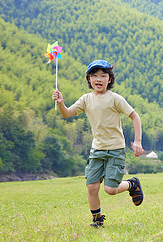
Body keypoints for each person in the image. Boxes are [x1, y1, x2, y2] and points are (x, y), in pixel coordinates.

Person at [52, 59, 144, 228]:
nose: (99, 79)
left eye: (103, 75)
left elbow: (135, 117)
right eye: (94, 76)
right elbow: (67, 114)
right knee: (91, 186)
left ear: (110, 79)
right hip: (97, 150)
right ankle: (97, 220)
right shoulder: (86, 99)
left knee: (110, 190)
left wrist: (137, 141)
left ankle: (132, 184)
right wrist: (60, 103)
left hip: (115, 150)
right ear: (89, 79)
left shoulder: (115, 99)